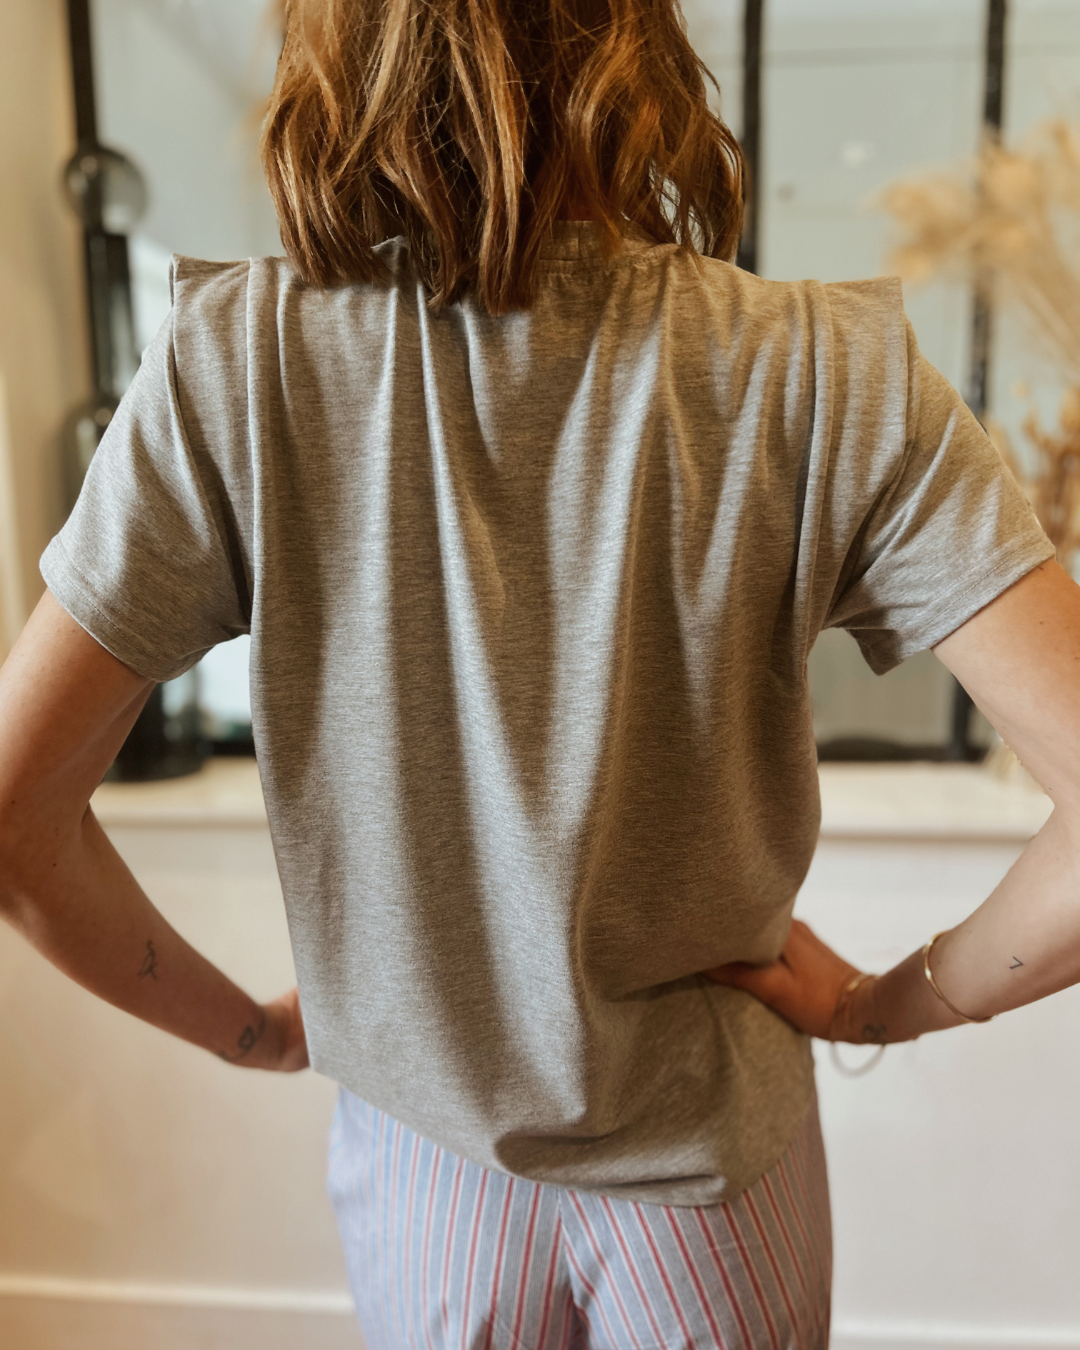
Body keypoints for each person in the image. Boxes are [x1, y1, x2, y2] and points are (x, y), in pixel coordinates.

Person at [1, 0, 1079, 1345]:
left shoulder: (238, 362)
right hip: (715, 1179)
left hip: (429, 1174)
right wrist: (883, 1005)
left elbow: (14, 810)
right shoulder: (825, 370)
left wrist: (259, 1034)